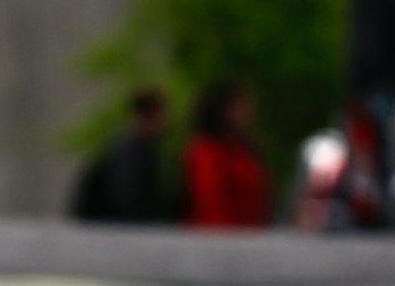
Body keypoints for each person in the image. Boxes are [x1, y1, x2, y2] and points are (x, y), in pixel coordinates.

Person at [71, 87, 179, 226]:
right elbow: (126, 201)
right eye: (162, 115)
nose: (167, 121)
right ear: (151, 115)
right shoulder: (130, 152)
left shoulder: (128, 148)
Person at [183, 79, 272, 230]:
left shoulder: (243, 148)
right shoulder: (205, 149)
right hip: (218, 242)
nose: (248, 111)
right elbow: (210, 201)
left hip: (250, 238)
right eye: (241, 106)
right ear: (223, 110)